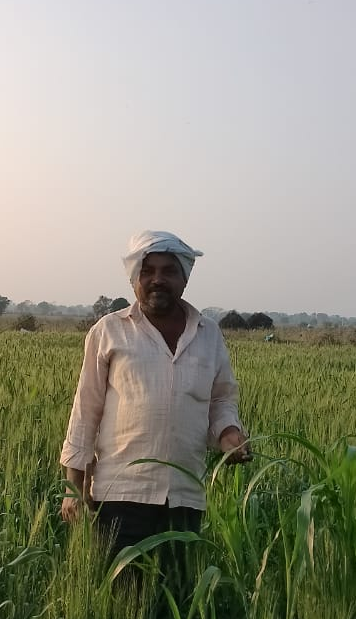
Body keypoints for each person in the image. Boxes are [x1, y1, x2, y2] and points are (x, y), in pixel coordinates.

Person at [60, 230, 251, 555]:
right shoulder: (109, 331)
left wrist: (229, 432)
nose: (157, 280)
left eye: (168, 271)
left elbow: (221, 399)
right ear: (134, 277)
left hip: (185, 495)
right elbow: (85, 412)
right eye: (147, 271)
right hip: (120, 496)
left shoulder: (209, 335)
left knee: (176, 598)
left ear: (184, 278)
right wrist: (73, 488)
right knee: (124, 600)